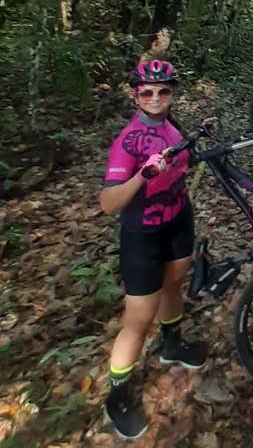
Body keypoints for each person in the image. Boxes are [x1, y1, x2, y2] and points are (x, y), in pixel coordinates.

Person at [100, 60, 206, 439]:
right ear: (136, 95)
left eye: (164, 91)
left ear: (172, 93)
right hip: (142, 234)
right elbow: (109, 202)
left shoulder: (170, 127)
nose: (156, 98)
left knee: (174, 284)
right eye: (148, 92)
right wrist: (141, 176)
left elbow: (182, 165)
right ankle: (118, 396)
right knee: (137, 319)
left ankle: (172, 343)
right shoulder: (127, 141)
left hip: (178, 220)